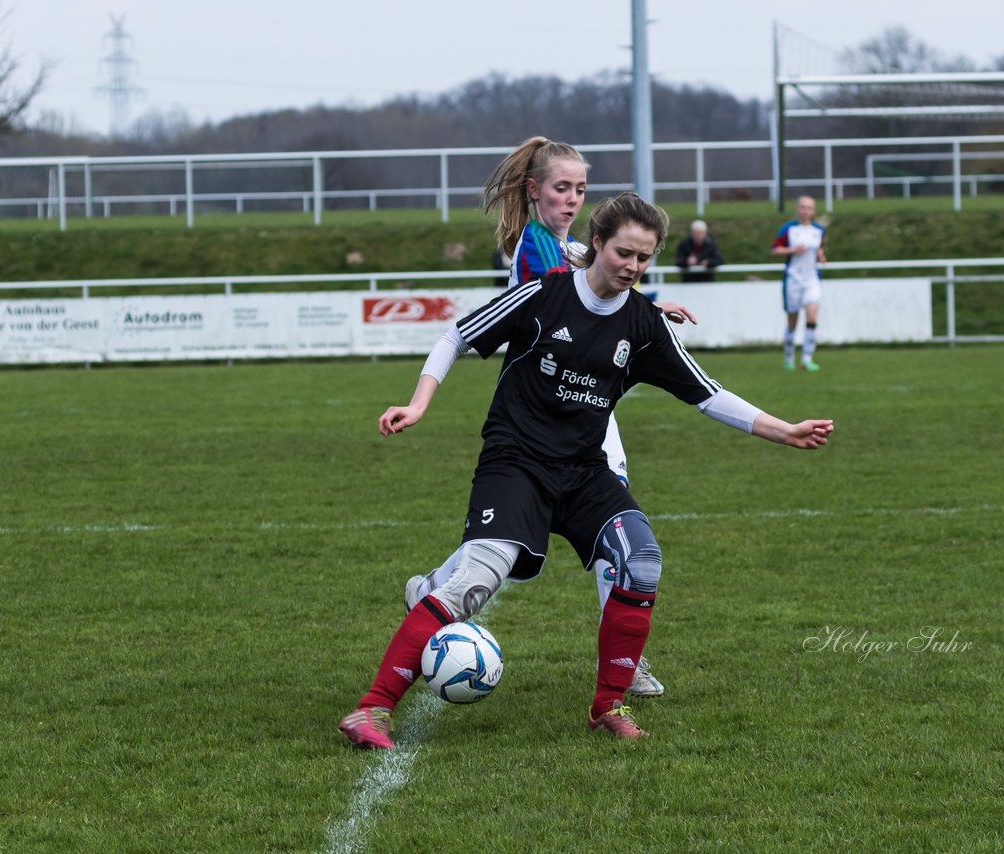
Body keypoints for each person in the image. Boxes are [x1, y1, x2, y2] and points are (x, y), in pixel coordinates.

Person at [339, 193, 834, 748]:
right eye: (624, 252)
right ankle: (373, 709)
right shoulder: (541, 296)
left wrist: (784, 429)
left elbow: (707, 393)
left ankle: (608, 706)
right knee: (477, 578)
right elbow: (456, 336)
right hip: (516, 463)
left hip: (583, 471)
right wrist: (420, 403)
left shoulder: (644, 322)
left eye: (644, 259)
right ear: (596, 242)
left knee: (641, 560)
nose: (632, 267)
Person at [408, 137, 695, 698]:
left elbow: (601, 282)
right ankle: (623, 660)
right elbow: (578, 291)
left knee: (555, 525)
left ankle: (435, 587)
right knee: (606, 519)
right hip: (555, 398)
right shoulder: (539, 248)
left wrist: (650, 308)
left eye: (580, 190)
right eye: (561, 189)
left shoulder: (559, 245)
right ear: (534, 191)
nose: (572, 199)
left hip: (578, 394)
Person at [770, 196, 827, 372]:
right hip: (793, 279)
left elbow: (820, 247)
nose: (805, 211)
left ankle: (807, 359)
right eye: (802, 207)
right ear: (797, 209)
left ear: (813, 211)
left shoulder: (818, 230)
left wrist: (820, 255)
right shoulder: (789, 229)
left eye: (809, 208)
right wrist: (792, 250)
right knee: (792, 322)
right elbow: (774, 249)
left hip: (811, 279)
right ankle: (789, 358)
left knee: (812, 317)